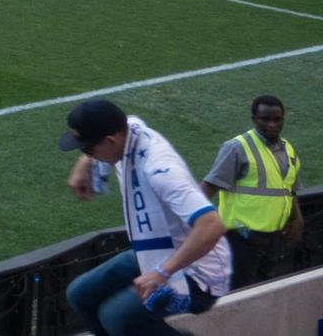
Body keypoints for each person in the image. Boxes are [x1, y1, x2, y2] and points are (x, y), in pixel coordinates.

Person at [62, 98, 229, 334]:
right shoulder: (128, 130)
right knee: (80, 295)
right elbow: (127, 120)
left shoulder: (160, 170)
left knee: (118, 317)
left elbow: (212, 225)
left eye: (88, 148)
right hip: (158, 251)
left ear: (110, 141)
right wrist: (85, 161)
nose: (87, 152)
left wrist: (162, 273)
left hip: (198, 272)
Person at [202, 95, 301, 289]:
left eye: (277, 119)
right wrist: (188, 221)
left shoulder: (288, 149)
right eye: (265, 119)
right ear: (254, 119)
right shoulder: (237, 148)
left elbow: (289, 189)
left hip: (274, 236)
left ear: (283, 119)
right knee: (242, 293)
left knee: (266, 291)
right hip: (242, 237)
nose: (271, 124)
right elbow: (208, 187)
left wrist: (297, 218)